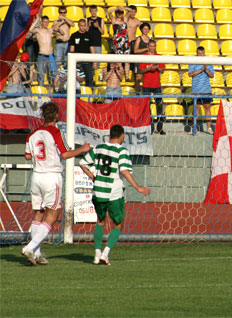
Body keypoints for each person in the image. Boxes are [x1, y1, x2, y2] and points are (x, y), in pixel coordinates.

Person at [21, 102, 91, 265]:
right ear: (57, 116)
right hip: (52, 177)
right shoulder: (56, 132)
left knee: (38, 213)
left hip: (36, 177)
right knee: (54, 214)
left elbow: (27, 156)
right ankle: (30, 247)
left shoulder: (33, 134)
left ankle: (37, 253)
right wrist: (83, 149)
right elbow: (65, 155)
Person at [79, 124, 151, 265]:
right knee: (118, 224)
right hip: (113, 193)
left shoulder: (98, 148)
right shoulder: (121, 150)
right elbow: (124, 171)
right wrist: (137, 187)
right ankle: (105, 254)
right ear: (122, 136)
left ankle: (96, 253)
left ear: (110, 135)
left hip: (98, 191)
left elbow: (82, 163)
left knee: (100, 221)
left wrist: (93, 177)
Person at [139, 40, 166, 135]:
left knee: (159, 107)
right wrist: (149, 69)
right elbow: (141, 70)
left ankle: (160, 128)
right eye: (150, 46)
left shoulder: (159, 57)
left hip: (156, 85)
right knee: (147, 108)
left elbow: (162, 70)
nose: (152, 48)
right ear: (148, 46)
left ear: (155, 47)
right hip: (146, 85)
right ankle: (149, 128)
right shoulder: (144, 57)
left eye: (153, 46)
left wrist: (157, 67)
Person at [188, 46, 215, 133]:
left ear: (204, 53)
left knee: (207, 108)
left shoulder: (208, 63)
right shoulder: (192, 63)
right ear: (197, 53)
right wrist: (200, 70)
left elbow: (212, 75)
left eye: (202, 53)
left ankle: (209, 128)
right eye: (199, 53)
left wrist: (206, 70)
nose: (200, 55)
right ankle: (194, 127)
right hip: (196, 90)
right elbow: (190, 74)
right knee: (196, 108)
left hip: (206, 90)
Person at [29, 15, 56, 86]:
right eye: (44, 22)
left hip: (50, 55)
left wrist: (58, 27)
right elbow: (30, 29)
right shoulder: (39, 30)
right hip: (42, 55)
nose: (46, 23)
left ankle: (54, 91)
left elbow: (62, 33)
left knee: (53, 74)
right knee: (41, 75)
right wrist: (37, 20)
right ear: (41, 22)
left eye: (47, 22)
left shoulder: (50, 30)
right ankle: (41, 92)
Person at [69, 19, 95, 87]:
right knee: (76, 78)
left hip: (87, 60)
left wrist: (94, 61)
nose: (82, 27)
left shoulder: (89, 35)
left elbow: (92, 48)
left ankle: (89, 94)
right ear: (78, 26)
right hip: (77, 61)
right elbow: (72, 49)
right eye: (81, 26)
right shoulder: (74, 35)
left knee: (89, 78)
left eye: (84, 26)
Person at [107, 7, 131, 78]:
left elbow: (130, 10)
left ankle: (127, 77)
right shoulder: (114, 20)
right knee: (119, 60)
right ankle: (121, 76)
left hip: (125, 41)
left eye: (121, 13)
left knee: (127, 60)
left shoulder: (125, 19)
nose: (120, 14)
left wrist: (123, 8)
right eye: (118, 13)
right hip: (117, 42)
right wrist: (116, 8)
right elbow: (109, 12)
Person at [133, 23, 152, 92]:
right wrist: (146, 49)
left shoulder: (150, 39)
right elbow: (135, 50)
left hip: (148, 60)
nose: (146, 30)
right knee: (138, 78)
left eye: (147, 29)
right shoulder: (139, 38)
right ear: (141, 30)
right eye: (144, 29)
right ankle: (137, 94)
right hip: (139, 60)